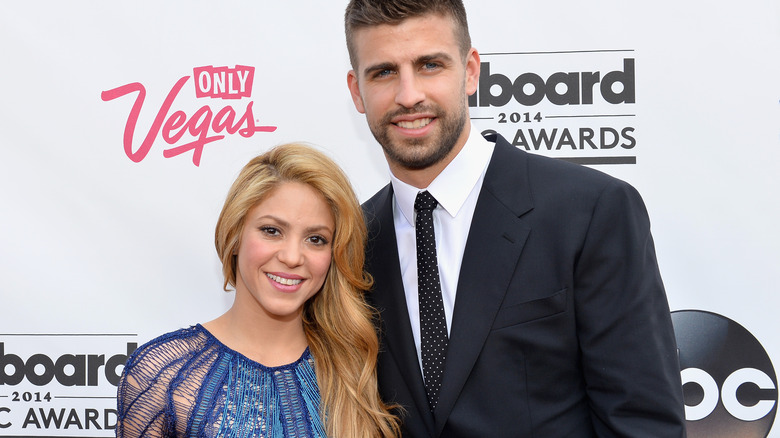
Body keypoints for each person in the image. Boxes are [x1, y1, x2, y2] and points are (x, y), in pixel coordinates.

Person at [344, 1, 687, 437]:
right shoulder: (351, 243)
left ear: (470, 71)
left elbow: (643, 423)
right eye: (384, 72)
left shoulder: (590, 211)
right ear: (357, 90)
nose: (409, 95)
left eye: (430, 65)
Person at [116, 143, 400, 438]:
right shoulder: (162, 374)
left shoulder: (359, 372)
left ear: (334, 254)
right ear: (235, 234)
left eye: (316, 239)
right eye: (272, 231)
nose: (292, 257)